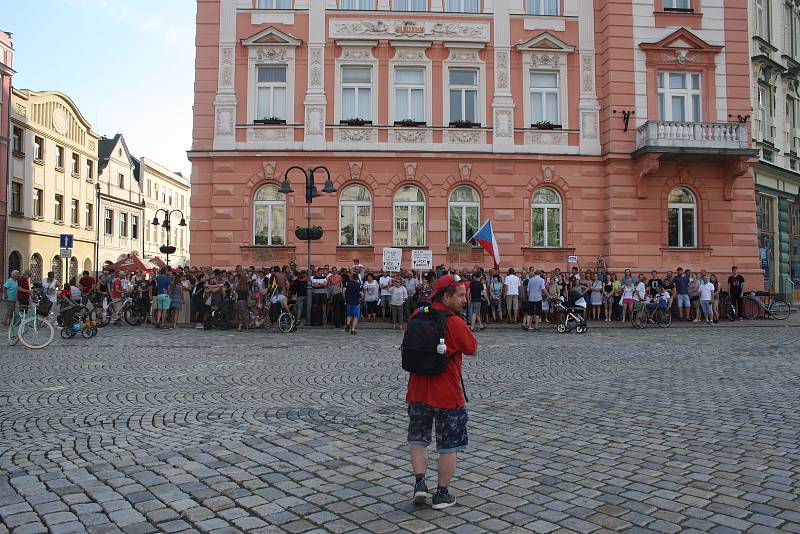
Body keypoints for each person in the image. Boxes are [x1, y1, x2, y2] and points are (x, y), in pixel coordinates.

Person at [406, 274, 477, 510]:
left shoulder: (417, 315)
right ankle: (442, 494)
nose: (464, 300)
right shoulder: (454, 322)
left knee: (418, 440)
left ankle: (419, 484)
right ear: (445, 296)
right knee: (449, 445)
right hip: (447, 394)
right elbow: (472, 348)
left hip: (417, 391)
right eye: (460, 295)